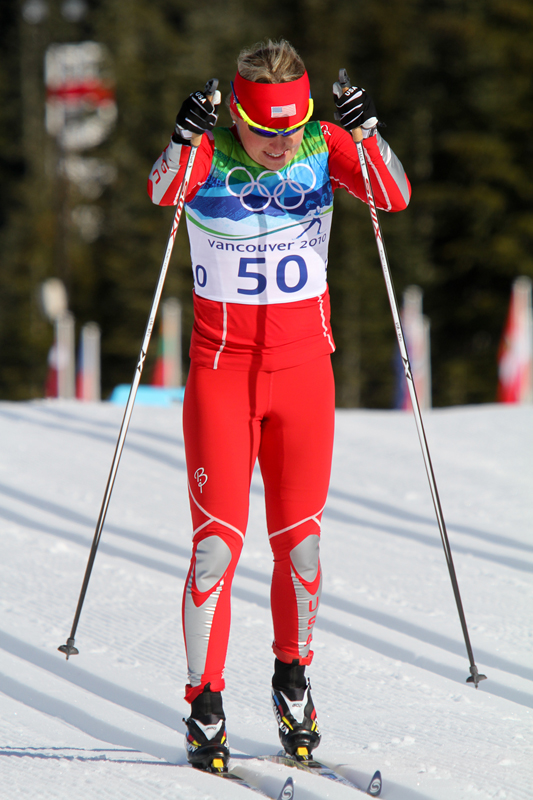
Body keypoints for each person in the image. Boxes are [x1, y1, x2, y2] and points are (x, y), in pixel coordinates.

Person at [148, 39, 410, 773]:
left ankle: (291, 680)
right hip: (221, 376)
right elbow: (161, 191)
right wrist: (179, 137)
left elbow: (393, 195)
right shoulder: (209, 153)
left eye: (290, 129)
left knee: (301, 545)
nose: (279, 144)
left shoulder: (325, 147)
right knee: (214, 548)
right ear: (240, 114)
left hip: (302, 378)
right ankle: (204, 700)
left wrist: (365, 134)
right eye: (265, 131)